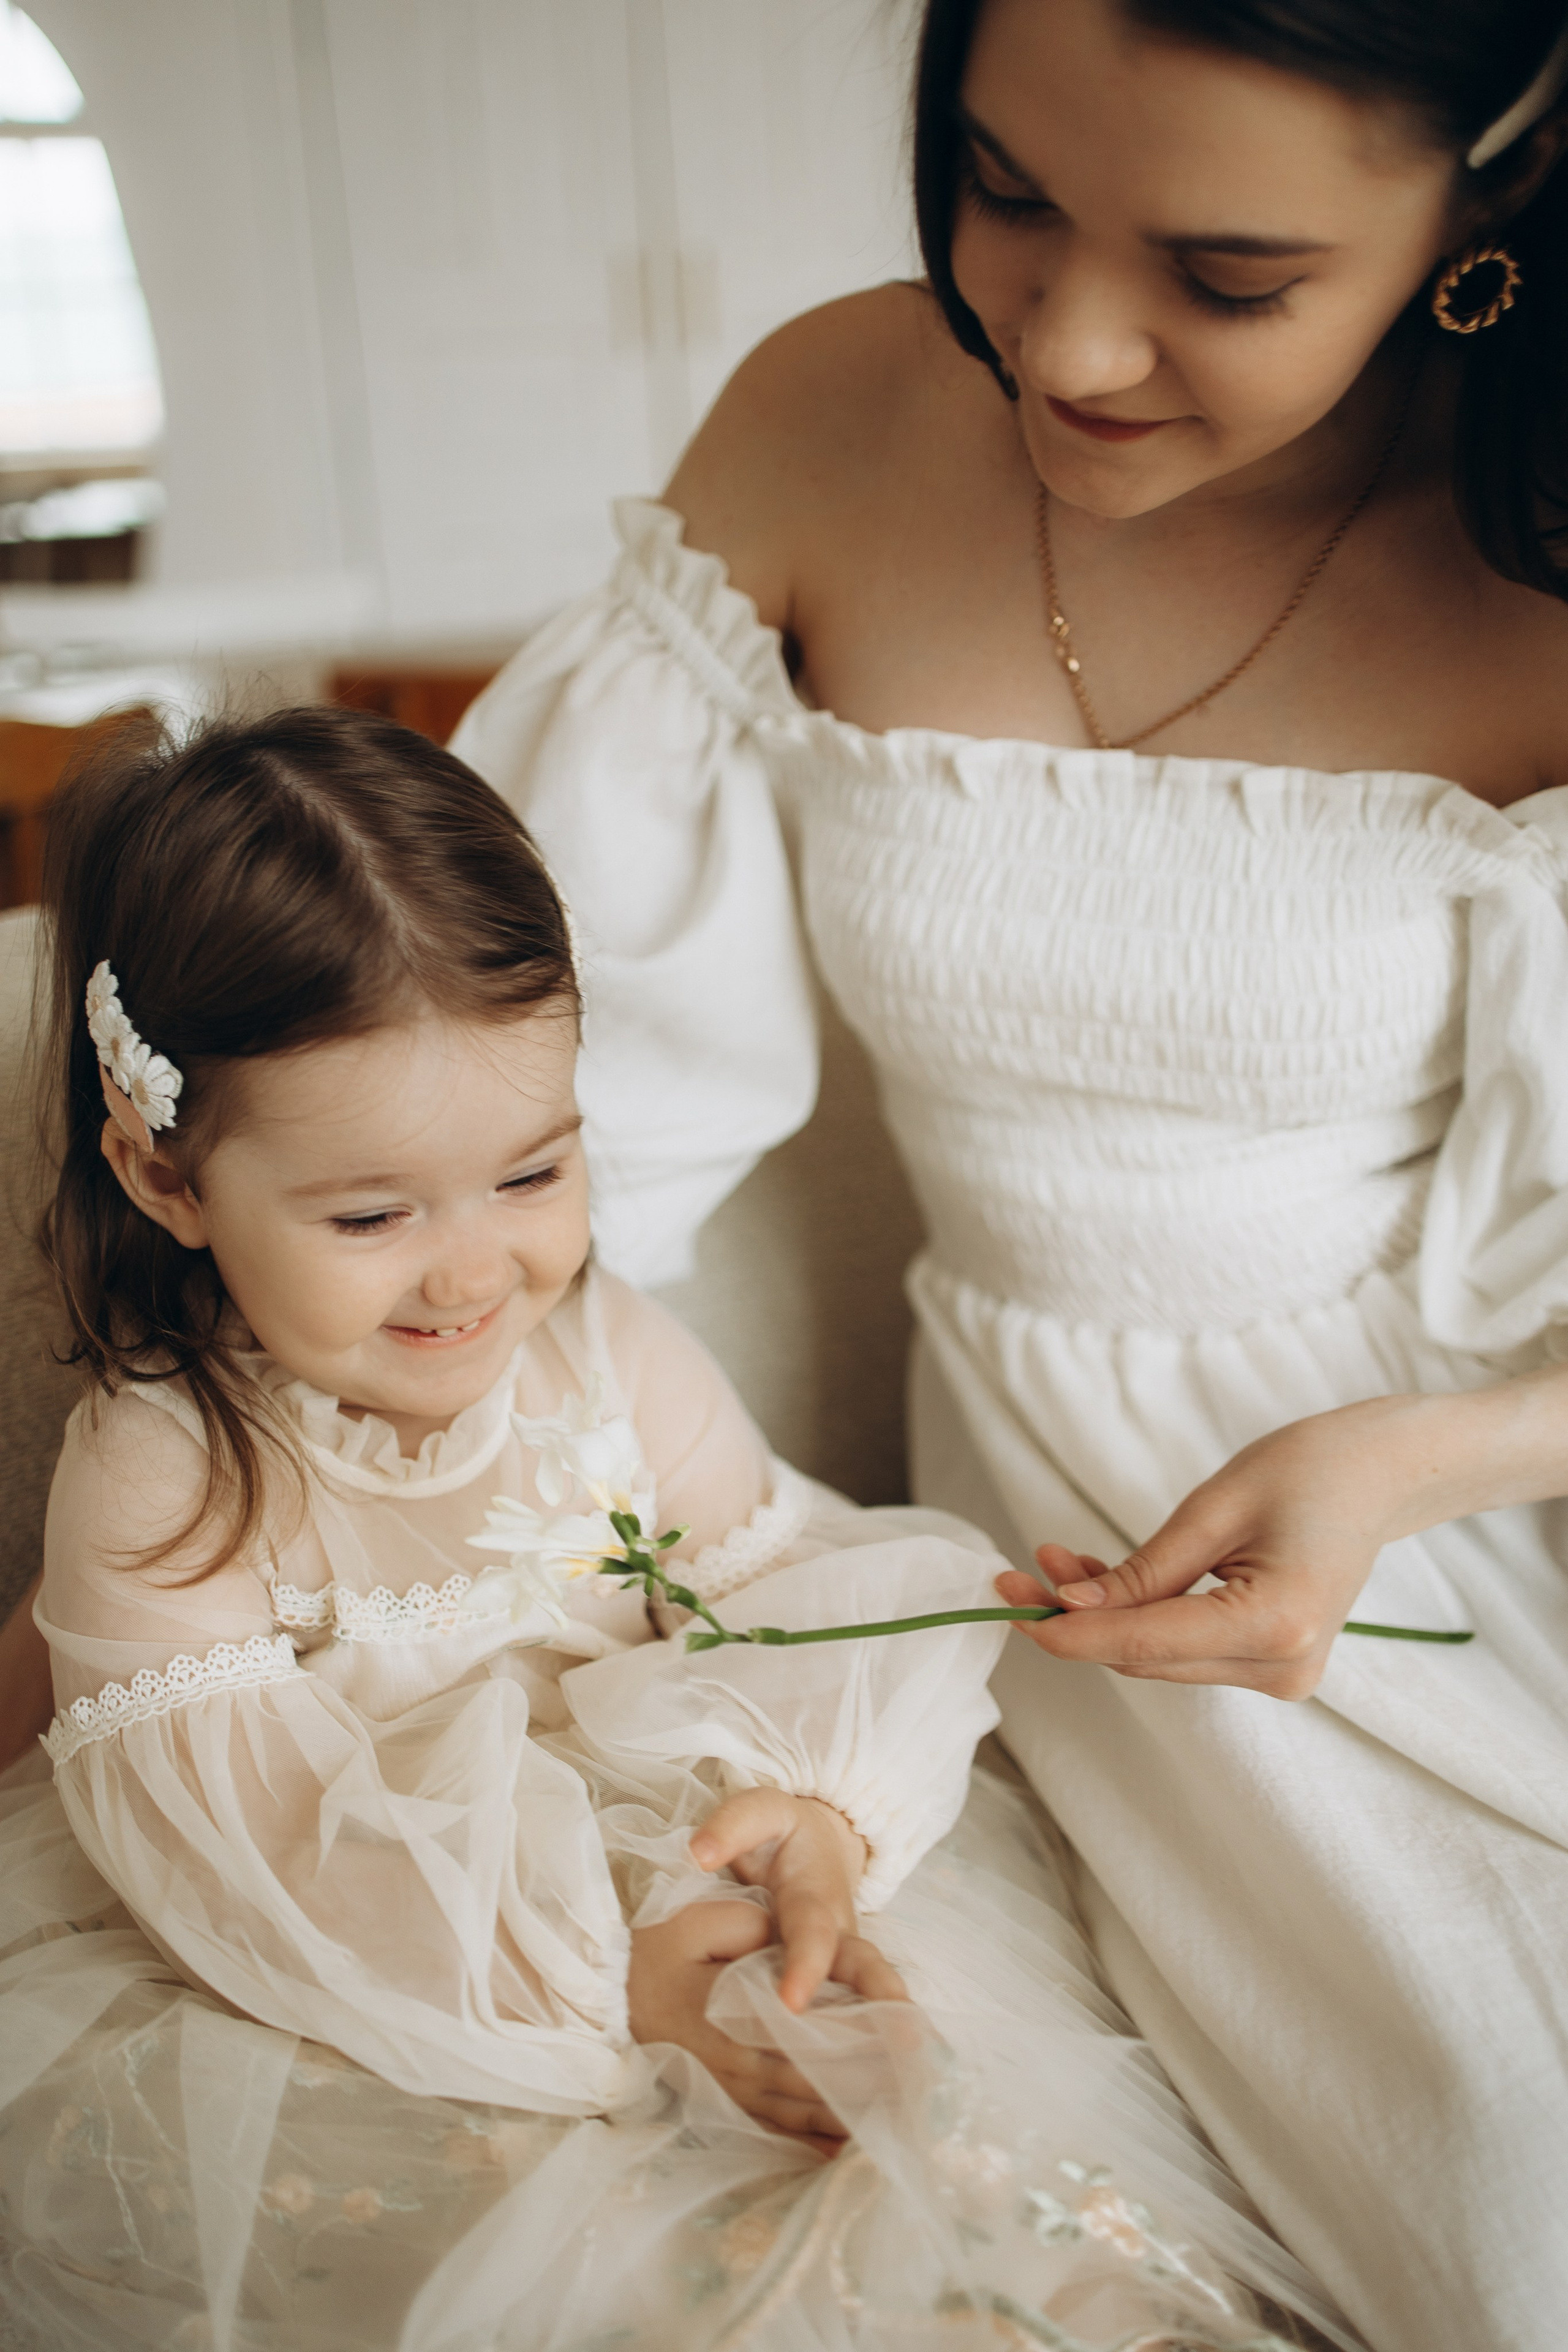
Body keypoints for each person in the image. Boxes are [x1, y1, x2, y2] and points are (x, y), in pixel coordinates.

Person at [443, 4, 1568, 2348]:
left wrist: (1434, 1451)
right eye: (1002, 184)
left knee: (1495, 2179)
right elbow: (562, 1094)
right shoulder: (833, 420)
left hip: (1449, 1509)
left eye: (1230, 272)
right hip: (1017, 1530)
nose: (1064, 338)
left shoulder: (1542, 546)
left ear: (1491, 198)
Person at [0, 704, 1348, 2352]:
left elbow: (776, 1590)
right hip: (361, 1982)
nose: (473, 1272)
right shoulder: (165, 1479)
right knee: (619, 2261)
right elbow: (274, 1872)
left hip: (685, 1865)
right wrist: (616, 1983)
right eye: (371, 1216)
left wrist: (809, 1815)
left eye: (532, 1173)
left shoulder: (609, 1355)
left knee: (965, 2159)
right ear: (166, 1176)